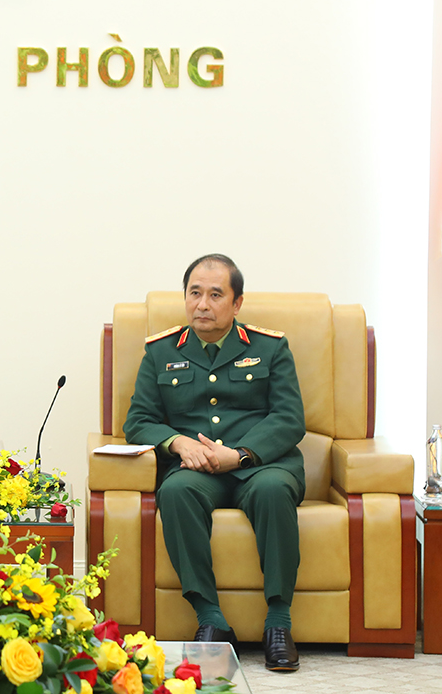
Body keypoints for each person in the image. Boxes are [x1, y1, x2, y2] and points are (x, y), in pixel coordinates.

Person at [123, 254, 304, 672]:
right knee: (175, 490)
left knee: (273, 490)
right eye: (195, 293)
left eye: (216, 295)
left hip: (259, 465)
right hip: (198, 469)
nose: (202, 304)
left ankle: (278, 624)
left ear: (237, 303)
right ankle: (211, 620)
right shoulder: (160, 351)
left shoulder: (270, 347)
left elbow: (289, 418)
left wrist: (239, 454)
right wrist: (177, 442)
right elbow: (139, 420)